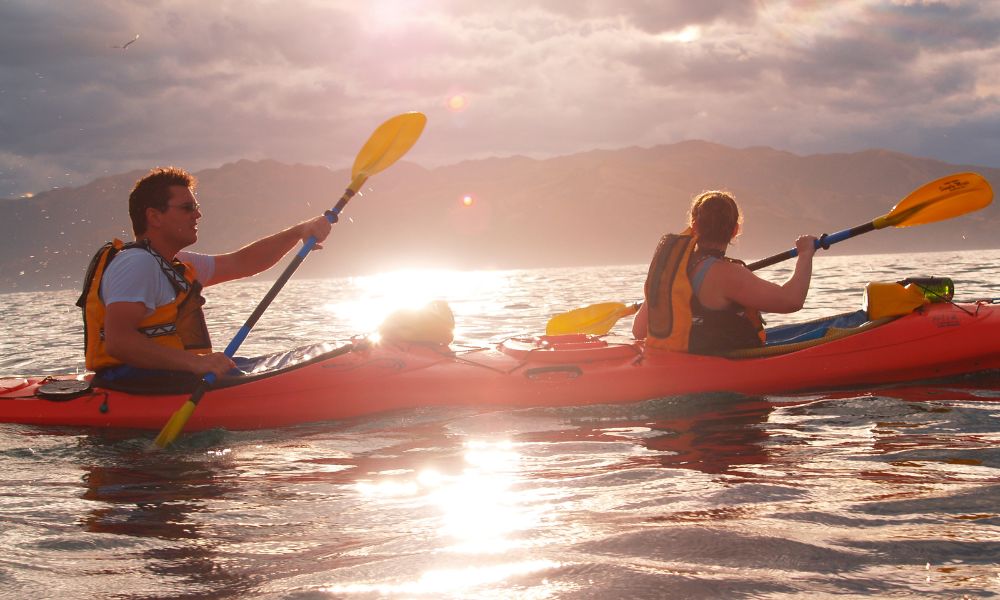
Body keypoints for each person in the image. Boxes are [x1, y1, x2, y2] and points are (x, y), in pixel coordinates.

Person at [77, 166, 332, 385]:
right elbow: (119, 342)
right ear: (154, 216)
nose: (197, 214)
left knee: (301, 358)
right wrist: (196, 364)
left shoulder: (174, 264)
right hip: (137, 382)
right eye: (188, 207)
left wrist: (299, 231)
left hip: (164, 377)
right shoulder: (136, 264)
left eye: (196, 206)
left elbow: (242, 262)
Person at [632, 190, 817, 354]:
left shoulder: (670, 270)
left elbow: (639, 330)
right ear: (735, 230)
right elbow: (791, 300)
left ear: (694, 226)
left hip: (677, 366)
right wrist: (805, 253)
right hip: (718, 377)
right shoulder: (728, 274)